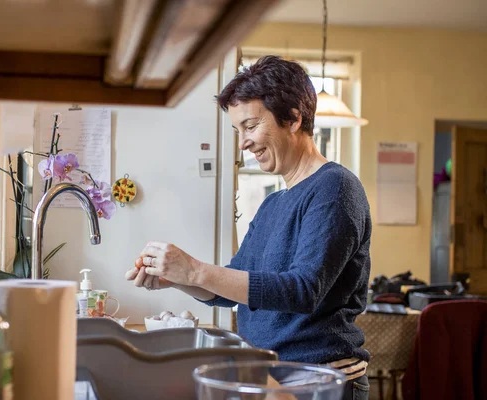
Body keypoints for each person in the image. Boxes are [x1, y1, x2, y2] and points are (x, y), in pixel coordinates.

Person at [125, 55, 371, 400]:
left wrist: (195, 270)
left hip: (319, 382)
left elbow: (303, 291)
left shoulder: (335, 187)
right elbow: (231, 288)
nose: (242, 143)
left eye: (251, 126)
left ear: (294, 118)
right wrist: (178, 279)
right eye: (237, 131)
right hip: (273, 378)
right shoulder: (274, 203)